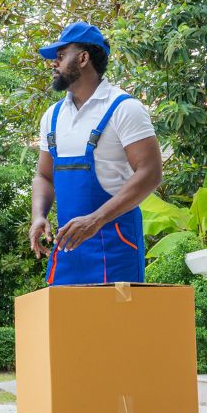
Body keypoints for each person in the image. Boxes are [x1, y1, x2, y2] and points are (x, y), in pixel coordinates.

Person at [29, 22, 162, 285]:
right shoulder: (52, 116)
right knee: (65, 326)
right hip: (68, 248)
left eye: (60, 56)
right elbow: (44, 176)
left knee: (115, 326)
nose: (53, 64)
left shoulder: (124, 108)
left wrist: (95, 220)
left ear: (83, 58)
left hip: (115, 246)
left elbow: (151, 173)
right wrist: (39, 216)